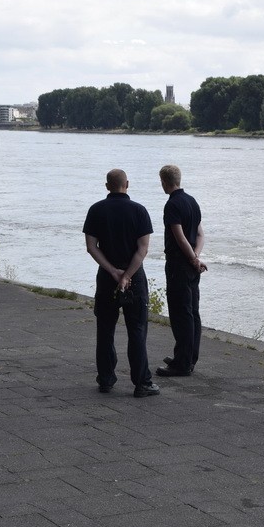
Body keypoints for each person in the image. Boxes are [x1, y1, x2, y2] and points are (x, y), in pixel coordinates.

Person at [83, 169, 159, 398]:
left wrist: (113, 272)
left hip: (107, 278)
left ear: (107, 186)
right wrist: (127, 276)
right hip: (135, 278)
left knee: (105, 329)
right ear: (127, 184)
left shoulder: (96, 210)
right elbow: (142, 249)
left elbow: (91, 247)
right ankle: (141, 383)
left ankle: (106, 379)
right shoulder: (139, 211)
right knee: (137, 329)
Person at [156, 164, 207, 378]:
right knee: (192, 312)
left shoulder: (173, 205)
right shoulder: (192, 201)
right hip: (191, 266)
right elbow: (200, 234)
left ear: (164, 182)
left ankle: (182, 364)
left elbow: (179, 236)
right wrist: (196, 257)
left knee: (180, 314)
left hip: (179, 264)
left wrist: (192, 259)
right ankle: (188, 357)